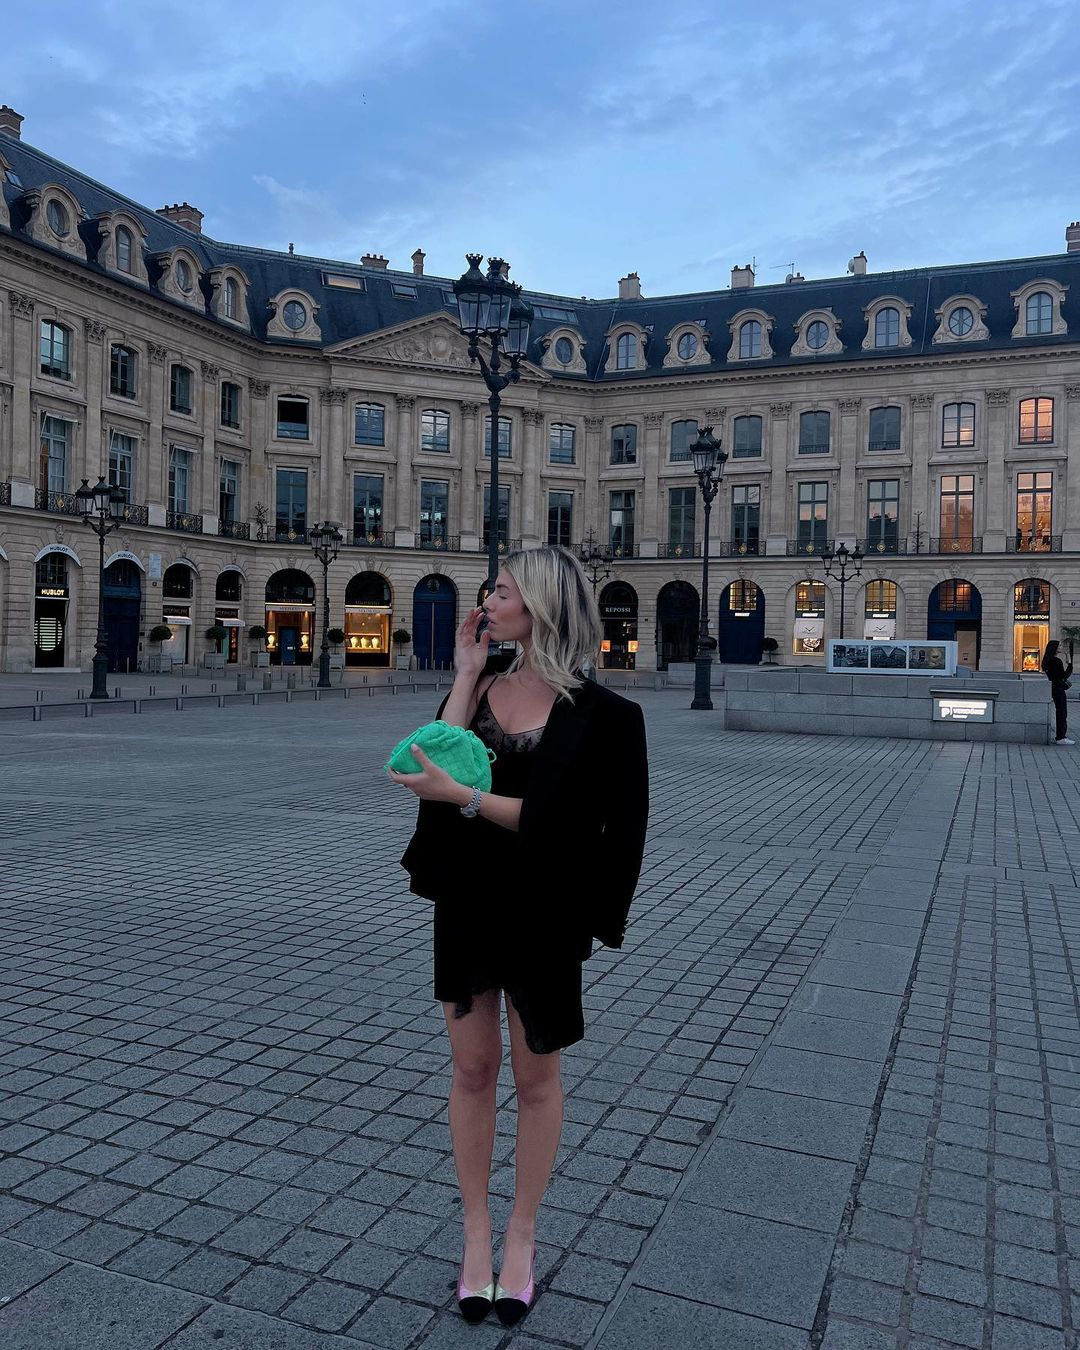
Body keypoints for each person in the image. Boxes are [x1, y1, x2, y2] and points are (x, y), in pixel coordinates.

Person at [388, 545, 649, 1326]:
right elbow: (427, 769)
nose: (487, 601)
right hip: (468, 901)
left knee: (537, 1080)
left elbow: (578, 830)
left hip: (546, 912)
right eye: (491, 590)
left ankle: (522, 1236)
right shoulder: (478, 688)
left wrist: (468, 798)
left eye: (500, 591)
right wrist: (466, 672)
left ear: (539, 604)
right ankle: (476, 1233)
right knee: (472, 1071)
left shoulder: (608, 716)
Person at [1041, 639, 1074, 745]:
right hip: (1059, 689)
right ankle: (1061, 737)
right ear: (1054, 648)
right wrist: (1069, 663)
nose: (1061, 647)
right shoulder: (1056, 661)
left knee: (1060, 711)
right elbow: (1064, 676)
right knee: (1062, 712)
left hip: (1053, 688)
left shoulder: (1047, 660)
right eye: (1059, 646)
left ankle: (1060, 737)